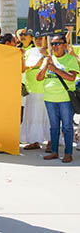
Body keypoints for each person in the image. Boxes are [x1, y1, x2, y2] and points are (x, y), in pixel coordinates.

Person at [36, 34, 78, 163]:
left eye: (58, 43)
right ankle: (54, 151)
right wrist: (46, 64)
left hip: (65, 99)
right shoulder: (48, 59)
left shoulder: (70, 60)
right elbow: (39, 78)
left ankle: (68, 153)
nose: (55, 46)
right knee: (54, 127)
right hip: (49, 98)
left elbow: (71, 77)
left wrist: (55, 69)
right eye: (53, 44)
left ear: (65, 45)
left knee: (67, 127)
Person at [21, 36, 50, 150]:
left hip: (45, 90)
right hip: (30, 89)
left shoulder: (50, 52)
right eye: (36, 38)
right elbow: (23, 69)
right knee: (32, 117)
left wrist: (44, 54)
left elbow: (39, 64)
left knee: (47, 117)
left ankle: (51, 141)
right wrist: (22, 57)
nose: (38, 40)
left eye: (40, 38)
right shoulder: (28, 52)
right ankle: (34, 141)